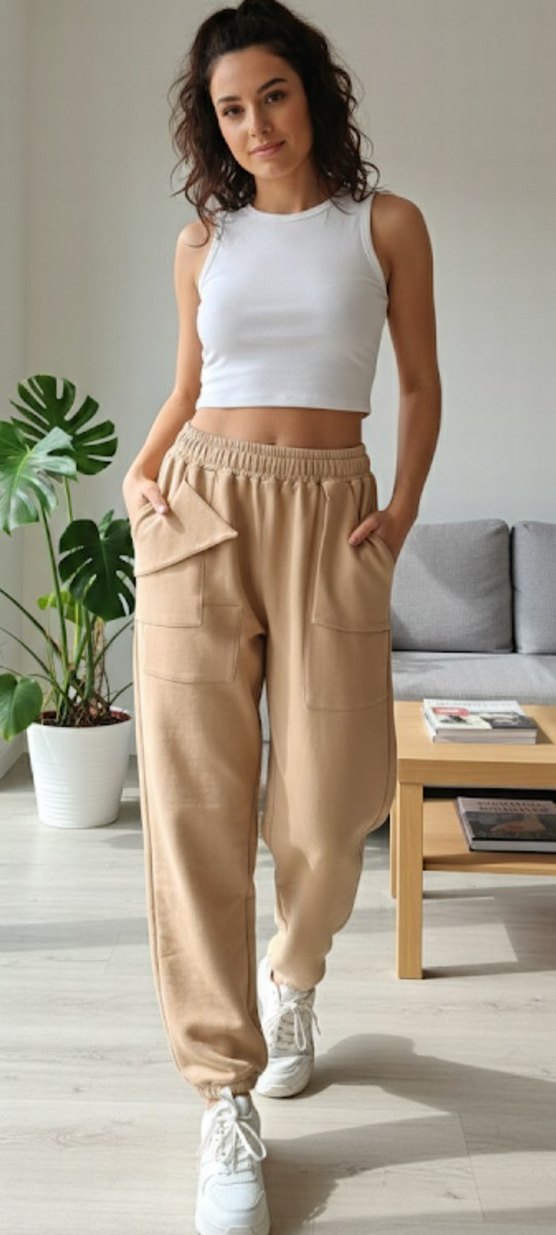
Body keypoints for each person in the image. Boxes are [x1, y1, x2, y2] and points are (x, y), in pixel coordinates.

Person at [122, 1, 442, 1231]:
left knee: (334, 792)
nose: (254, 124)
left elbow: (418, 380)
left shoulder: (386, 224)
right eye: (229, 108)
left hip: (331, 513)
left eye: (273, 94)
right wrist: (142, 472)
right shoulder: (204, 242)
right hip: (198, 502)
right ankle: (223, 1093)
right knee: (193, 803)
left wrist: (400, 508)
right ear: (211, 125)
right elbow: (189, 384)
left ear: (313, 93)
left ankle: (293, 971)